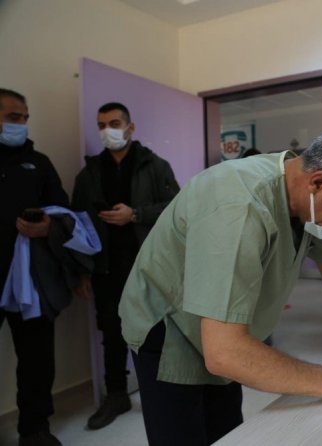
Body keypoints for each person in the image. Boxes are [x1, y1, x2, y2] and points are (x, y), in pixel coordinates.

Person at [119, 124, 322, 445]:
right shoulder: (239, 206)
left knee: (227, 431)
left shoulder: (309, 201)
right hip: (170, 326)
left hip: (225, 332)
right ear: (318, 182)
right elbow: (224, 352)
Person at [71, 102, 179, 430]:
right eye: (102, 125)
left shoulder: (155, 166)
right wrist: (82, 270)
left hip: (146, 264)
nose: (108, 131)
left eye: (115, 123)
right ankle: (117, 395)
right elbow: (77, 224)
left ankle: (162, 392)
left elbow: (176, 208)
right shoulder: (89, 173)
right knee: (111, 332)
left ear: (130, 127)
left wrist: (135, 214)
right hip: (105, 267)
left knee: (154, 330)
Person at [0, 88, 70, 446]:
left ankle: (35, 429)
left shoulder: (39, 162)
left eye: (25, 118)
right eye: (14, 117)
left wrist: (47, 228)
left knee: (37, 358)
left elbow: (64, 212)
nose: (22, 124)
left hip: (30, 276)